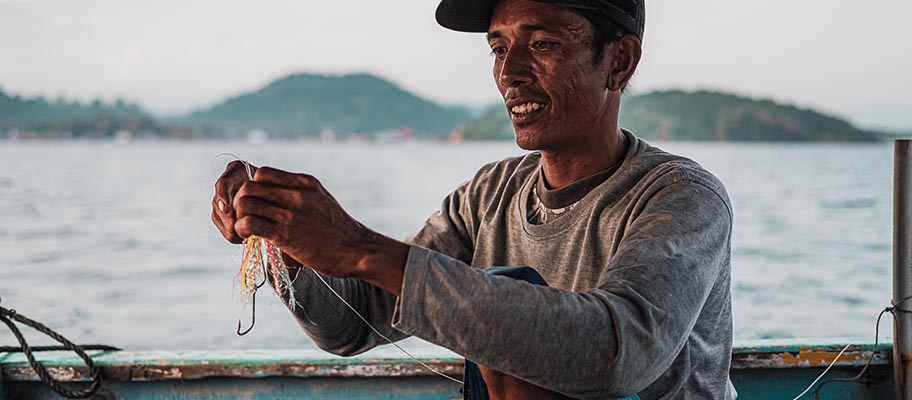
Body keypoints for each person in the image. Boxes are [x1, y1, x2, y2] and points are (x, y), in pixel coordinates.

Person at [211, 0, 736, 398]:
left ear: (618, 62)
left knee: (511, 287)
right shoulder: (489, 195)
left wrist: (360, 249)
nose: (510, 74)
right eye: (499, 48)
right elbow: (353, 323)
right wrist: (285, 234)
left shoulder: (682, 197)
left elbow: (617, 351)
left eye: (543, 44)